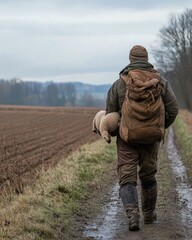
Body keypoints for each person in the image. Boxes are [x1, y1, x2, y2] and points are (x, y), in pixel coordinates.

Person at [105, 45, 178, 231]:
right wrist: (158, 128)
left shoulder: (120, 83)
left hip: (127, 139)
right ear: (146, 59)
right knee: (148, 176)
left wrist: (116, 133)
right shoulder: (160, 81)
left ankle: (132, 215)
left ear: (130, 60)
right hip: (151, 139)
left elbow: (110, 115)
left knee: (127, 177)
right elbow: (173, 109)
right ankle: (148, 214)